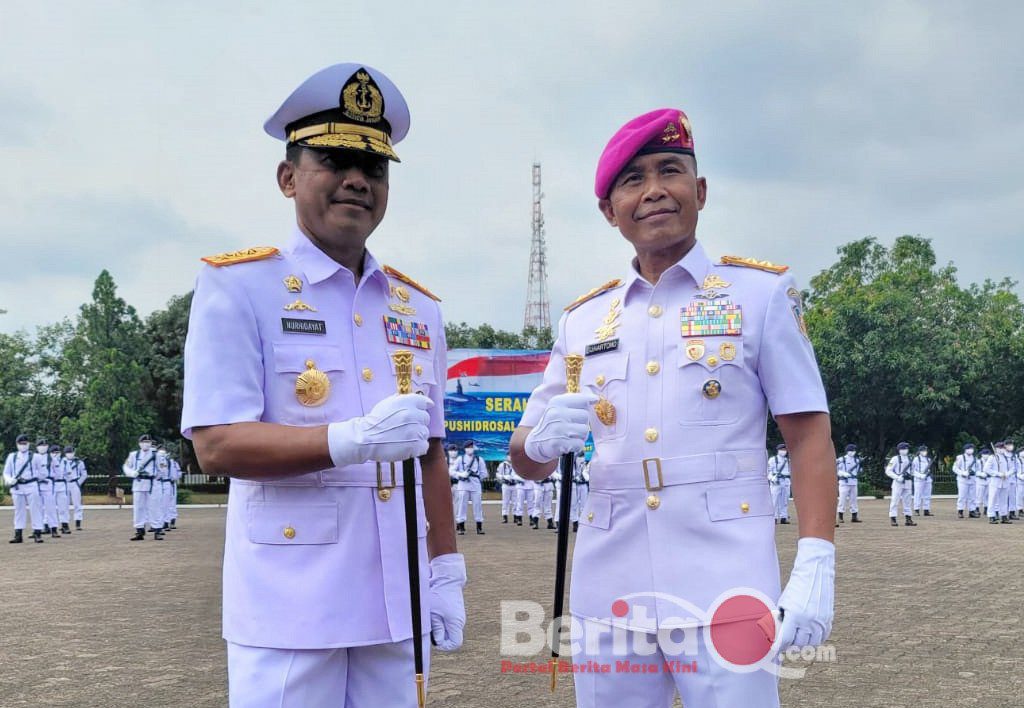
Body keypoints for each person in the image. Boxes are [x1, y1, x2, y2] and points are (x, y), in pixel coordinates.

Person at [510, 108, 836, 707]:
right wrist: (537, 444)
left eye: (670, 170)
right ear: (611, 211)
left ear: (701, 191)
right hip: (610, 582)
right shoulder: (583, 320)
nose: (654, 189)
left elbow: (809, 434)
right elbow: (526, 459)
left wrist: (816, 558)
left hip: (727, 578)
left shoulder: (759, 295)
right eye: (632, 179)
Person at [180, 62, 465, 706]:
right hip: (290, 605)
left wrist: (446, 568)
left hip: (397, 597)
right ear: (288, 178)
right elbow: (217, 445)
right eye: (334, 159)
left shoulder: (417, 309)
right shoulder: (239, 287)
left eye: (375, 168)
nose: (358, 179)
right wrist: (352, 439)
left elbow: (433, 452)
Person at [3, 434, 45, 543]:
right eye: (21, 444)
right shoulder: (12, 456)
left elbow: (42, 473)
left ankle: (37, 533)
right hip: (17, 486)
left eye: (25, 443)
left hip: (31, 484)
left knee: (35, 509)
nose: (23, 445)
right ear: (17, 444)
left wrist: (35, 478)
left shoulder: (36, 457)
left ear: (28, 444)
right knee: (19, 510)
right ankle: (18, 534)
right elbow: (6, 472)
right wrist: (9, 479)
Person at [123, 434, 165, 540]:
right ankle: (139, 530)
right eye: (143, 442)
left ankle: (157, 529)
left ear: (151, 443)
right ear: (139, 443)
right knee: (138, 508)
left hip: (152, 483)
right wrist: (132, 473)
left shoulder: (157, 455)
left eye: (148, 442)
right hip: (138, 483)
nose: (145, 444)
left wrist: (155, 477)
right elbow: (126, 467)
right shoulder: (134, 455)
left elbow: (162, 469)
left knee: (155, 507)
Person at [452, 440, 487, 535]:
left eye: (471, 447)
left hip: (475, 485)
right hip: (463, 485)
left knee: (477, 506)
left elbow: (484, 474)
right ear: (464, 449)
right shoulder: (460, 459)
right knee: (461, 506)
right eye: (468, 447)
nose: (470, 449)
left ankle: (479, 527)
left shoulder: (479, 459)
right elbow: (451, 471)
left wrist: (476, 475)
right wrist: (461, 474)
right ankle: (461, 526)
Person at [885, 442, 917, 527]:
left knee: (908, 501)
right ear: (900, 450)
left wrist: (913, 475)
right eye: (904, 448)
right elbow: (888, 470)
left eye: (907, 448)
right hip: (898, 482)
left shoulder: (910, 458)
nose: (906, 450)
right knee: (895, 500)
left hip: (908, 482)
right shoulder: (894, 459)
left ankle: (908, 519)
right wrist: (896, 477)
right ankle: (893, 518)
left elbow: (913, 470)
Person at [36, 439, 60, 539]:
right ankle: (37, 529)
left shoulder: (52, 459)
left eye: (45, 445)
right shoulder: (33, 458)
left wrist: (50, 476)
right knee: (37, 508)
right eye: (41, 445)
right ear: (37, 447)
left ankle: (53, 529)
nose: (43, 446)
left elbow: (58, 473)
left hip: (48, 484)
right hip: (36, 484)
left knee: (50, 507)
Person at [985, 441, 1011, 524]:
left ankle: (1003, 516)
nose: (1002, 449)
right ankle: (991, 516)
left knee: (1004, 500)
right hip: (995, 481)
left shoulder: (1007, 457)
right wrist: (998, 474)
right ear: (996, 449)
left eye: (1003, 448)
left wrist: (1007, 474)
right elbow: (986, 469)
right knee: (992, 499)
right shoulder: (992, 457)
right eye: (1000, 448)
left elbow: (1012, 468)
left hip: (1005, 481)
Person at [48, 443, 72, 535]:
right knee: (50, 507)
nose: (56, 454)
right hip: (52, 485)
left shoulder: (64, 461)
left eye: (57, 452)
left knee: (63, 507)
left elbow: (69, 473)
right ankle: (48, 525)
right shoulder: (48, 461)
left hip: (62, 485)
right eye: (54, 452)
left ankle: (65, 525)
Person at [835, 444, 862, 523]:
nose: (852, 452)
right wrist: (843, 474)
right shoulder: (842, 459)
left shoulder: (856, 460)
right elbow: (836, 470)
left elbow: (858, 471)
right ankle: (840, 516)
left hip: (853, 482)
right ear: (847, 451)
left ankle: (854, 516)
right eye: (851, 451)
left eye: (853, 451)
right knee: (842, 499)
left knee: (854, 500)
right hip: (844, 482)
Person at [63, 445, 88, 530]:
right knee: (64, 504)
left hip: (75, 483)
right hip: (65, 484)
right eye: (68, 452)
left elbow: (84, 474)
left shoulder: (79, 462)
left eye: (71, 452)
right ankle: (64, 523)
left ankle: (78, 522)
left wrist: (78, 483)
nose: (70, 454)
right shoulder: (62, 461)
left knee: (77, 504)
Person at [953, 443, 979, 518]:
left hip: (972, 479)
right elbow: (954, 468)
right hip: (963, 479)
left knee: (973, 496)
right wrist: (962, 473)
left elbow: (977, 468)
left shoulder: (975, 458)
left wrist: (975, 472)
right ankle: (960, 511)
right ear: (965, 450)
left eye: (972, 448)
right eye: (969, 448)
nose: (971, 450)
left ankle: (972, 511)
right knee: (962, 496)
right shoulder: (960, 457)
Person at [767, 443, 791, 524]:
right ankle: (774, 518)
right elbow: (768, 471)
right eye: (782, 449)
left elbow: (791, 472)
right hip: (776, 482)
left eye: (785, 450)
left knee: (784, 500)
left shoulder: (788, 461)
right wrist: (771, 478)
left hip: (786, 482)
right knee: (775, 500)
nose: (784, 451)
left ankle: (783, 517)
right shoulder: (772, 460)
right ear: (778, 450)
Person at [569, 456, 590, 532]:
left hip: (584, 484)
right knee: (574, 504)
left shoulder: (588, 458)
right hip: (575, 483)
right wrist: (574, 477)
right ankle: (575, 522)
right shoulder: (574, 457)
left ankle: (583, 523)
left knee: (584, 505)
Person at [911, 444, 933, 516]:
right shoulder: (916, 459)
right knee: (918, 495)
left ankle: (926, 510)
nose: (925, 452)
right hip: (919, 479)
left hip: (927, 479)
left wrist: (928, 473)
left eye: (925, 450)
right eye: (923, 450)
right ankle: (916, 510)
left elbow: (929, 469)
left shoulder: (928, 459)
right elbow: (912, 471)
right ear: (920, 451)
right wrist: (920, 475)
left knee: (927, 495)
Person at [496, 454, 515, 523]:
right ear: (506, 456)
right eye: (508, 455)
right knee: (505, 501)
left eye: (511, 455)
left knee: (515, 501)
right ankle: (505, 516)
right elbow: (498, 474)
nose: (510, 457)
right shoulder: (502, 465)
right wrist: (504, 477)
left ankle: (516, 516)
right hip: (506, 484)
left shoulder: (516, 464)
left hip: (515, 485)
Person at [974, 447, 991, 517]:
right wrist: (981, 474)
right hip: (980, 480)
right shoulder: (978, 462)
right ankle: (977, 508)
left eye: (987, 454)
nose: (986, 455)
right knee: (979, 495)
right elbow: (975, 471)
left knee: (987, 496)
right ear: (981, 455)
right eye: (984, 454)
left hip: (989, 480)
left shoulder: (990, 462)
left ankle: (986, 508)